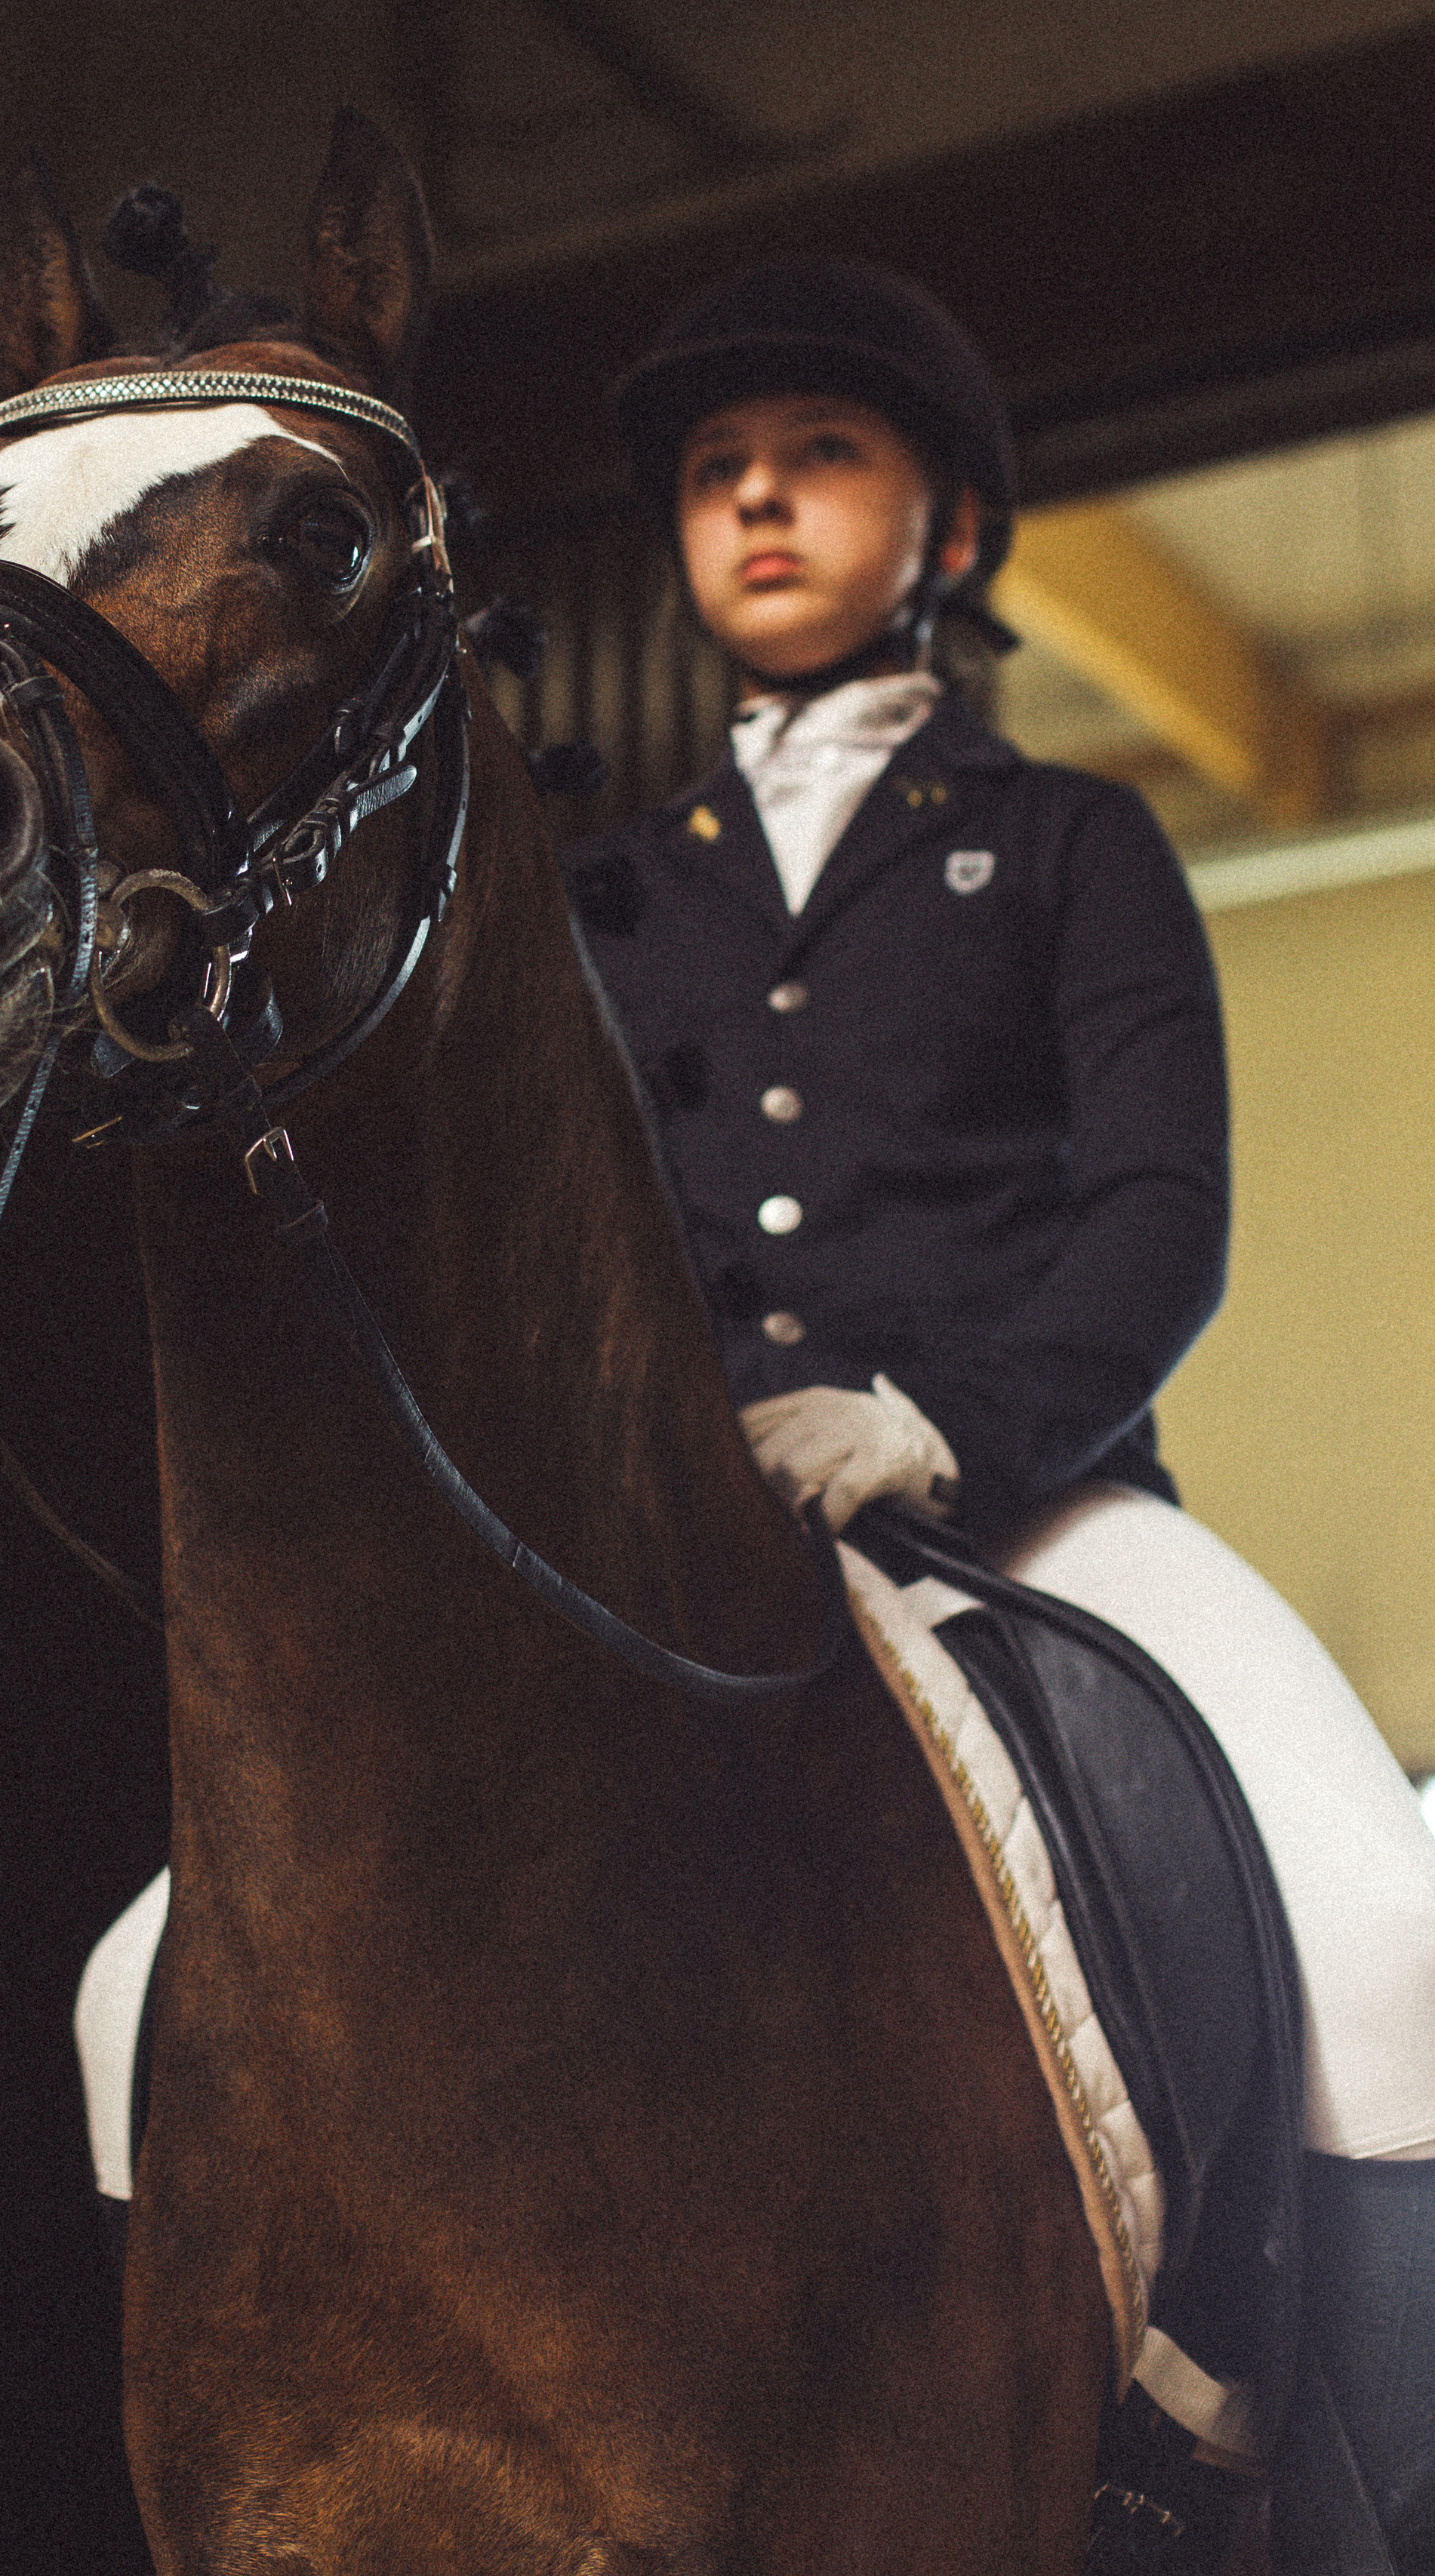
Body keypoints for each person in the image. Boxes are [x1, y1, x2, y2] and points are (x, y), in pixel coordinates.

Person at [559, 257, 1435, 2574]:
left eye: (816, 456)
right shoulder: (602, 894)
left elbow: (1165, 1220)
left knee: (1387, 1932)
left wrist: (943, 1416)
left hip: (1019, 1501)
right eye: (717, 470)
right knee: (147, 1971)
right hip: (667, 1530)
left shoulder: (1073, 849)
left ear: (945, 528)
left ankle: (1345, 2513)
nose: (753, 497)